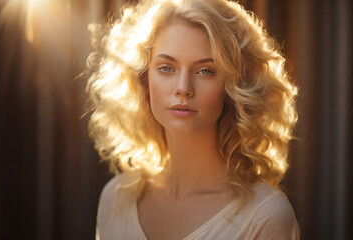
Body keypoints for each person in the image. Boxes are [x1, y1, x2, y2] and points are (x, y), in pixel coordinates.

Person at [86, 0, 299, 239]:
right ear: (143, 79)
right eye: (167, 68)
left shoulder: (265, 215)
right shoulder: (115, 199)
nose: (183, 88)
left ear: (233, 85)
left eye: (205, 71)